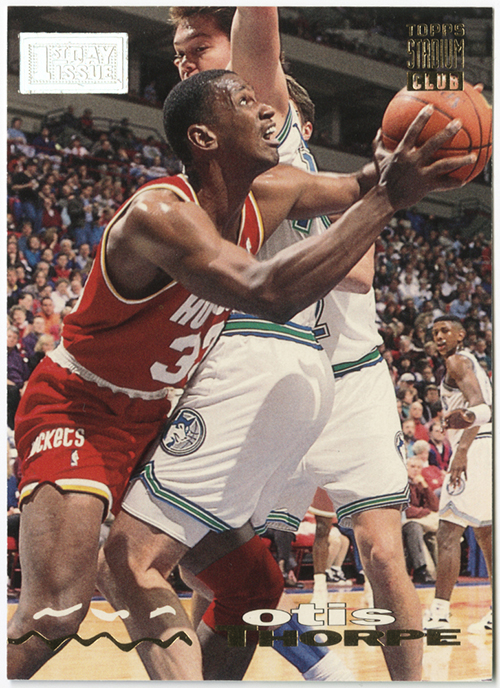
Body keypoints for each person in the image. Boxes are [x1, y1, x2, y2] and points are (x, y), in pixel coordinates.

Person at [8, 65, 467, 681]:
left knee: (254, 587)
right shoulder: (159, 213)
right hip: (80, 408)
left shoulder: (276, 191)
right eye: (247, 101)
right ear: (205, 138)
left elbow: (361, 183)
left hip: (153, 413)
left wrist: (407, 161)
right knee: (56, 613)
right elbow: (267, 291)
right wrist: (387, 198)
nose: (265, 110)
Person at [424, 316, 492, 634]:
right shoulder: (471, 362)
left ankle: (439, 614)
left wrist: (461, 451)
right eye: (435, 332)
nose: (439, 336)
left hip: (475, 449)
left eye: (445, 331)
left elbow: (480, 408)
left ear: (461, 335)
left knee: (448, 534)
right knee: (486, 534)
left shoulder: (456, 362)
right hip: (489, 448)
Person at [402, 456, 439, 584]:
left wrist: (425, 486)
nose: (416, 470)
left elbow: (435, 506)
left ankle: (440, 573)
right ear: (405, 468)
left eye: (419, 467)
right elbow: (407, 510)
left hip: (420, 520)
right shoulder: (401, 484)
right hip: (403, 521)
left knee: (433, 536)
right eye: (412, 467)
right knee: (414, 527)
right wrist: (425, 511)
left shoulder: (419, 483)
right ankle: (423, 571)